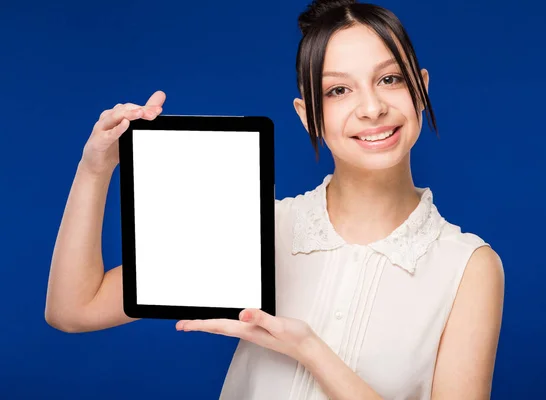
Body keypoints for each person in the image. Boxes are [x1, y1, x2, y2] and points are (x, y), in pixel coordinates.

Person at [44, 0, 505, 399]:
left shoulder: (467, 265)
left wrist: (309, 350)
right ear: (308, 115)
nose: (371, 107)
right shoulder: (257, 228)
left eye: (389, 80)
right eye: (338, 89)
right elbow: (73, 309)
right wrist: (95, 168)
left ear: (420, 88)